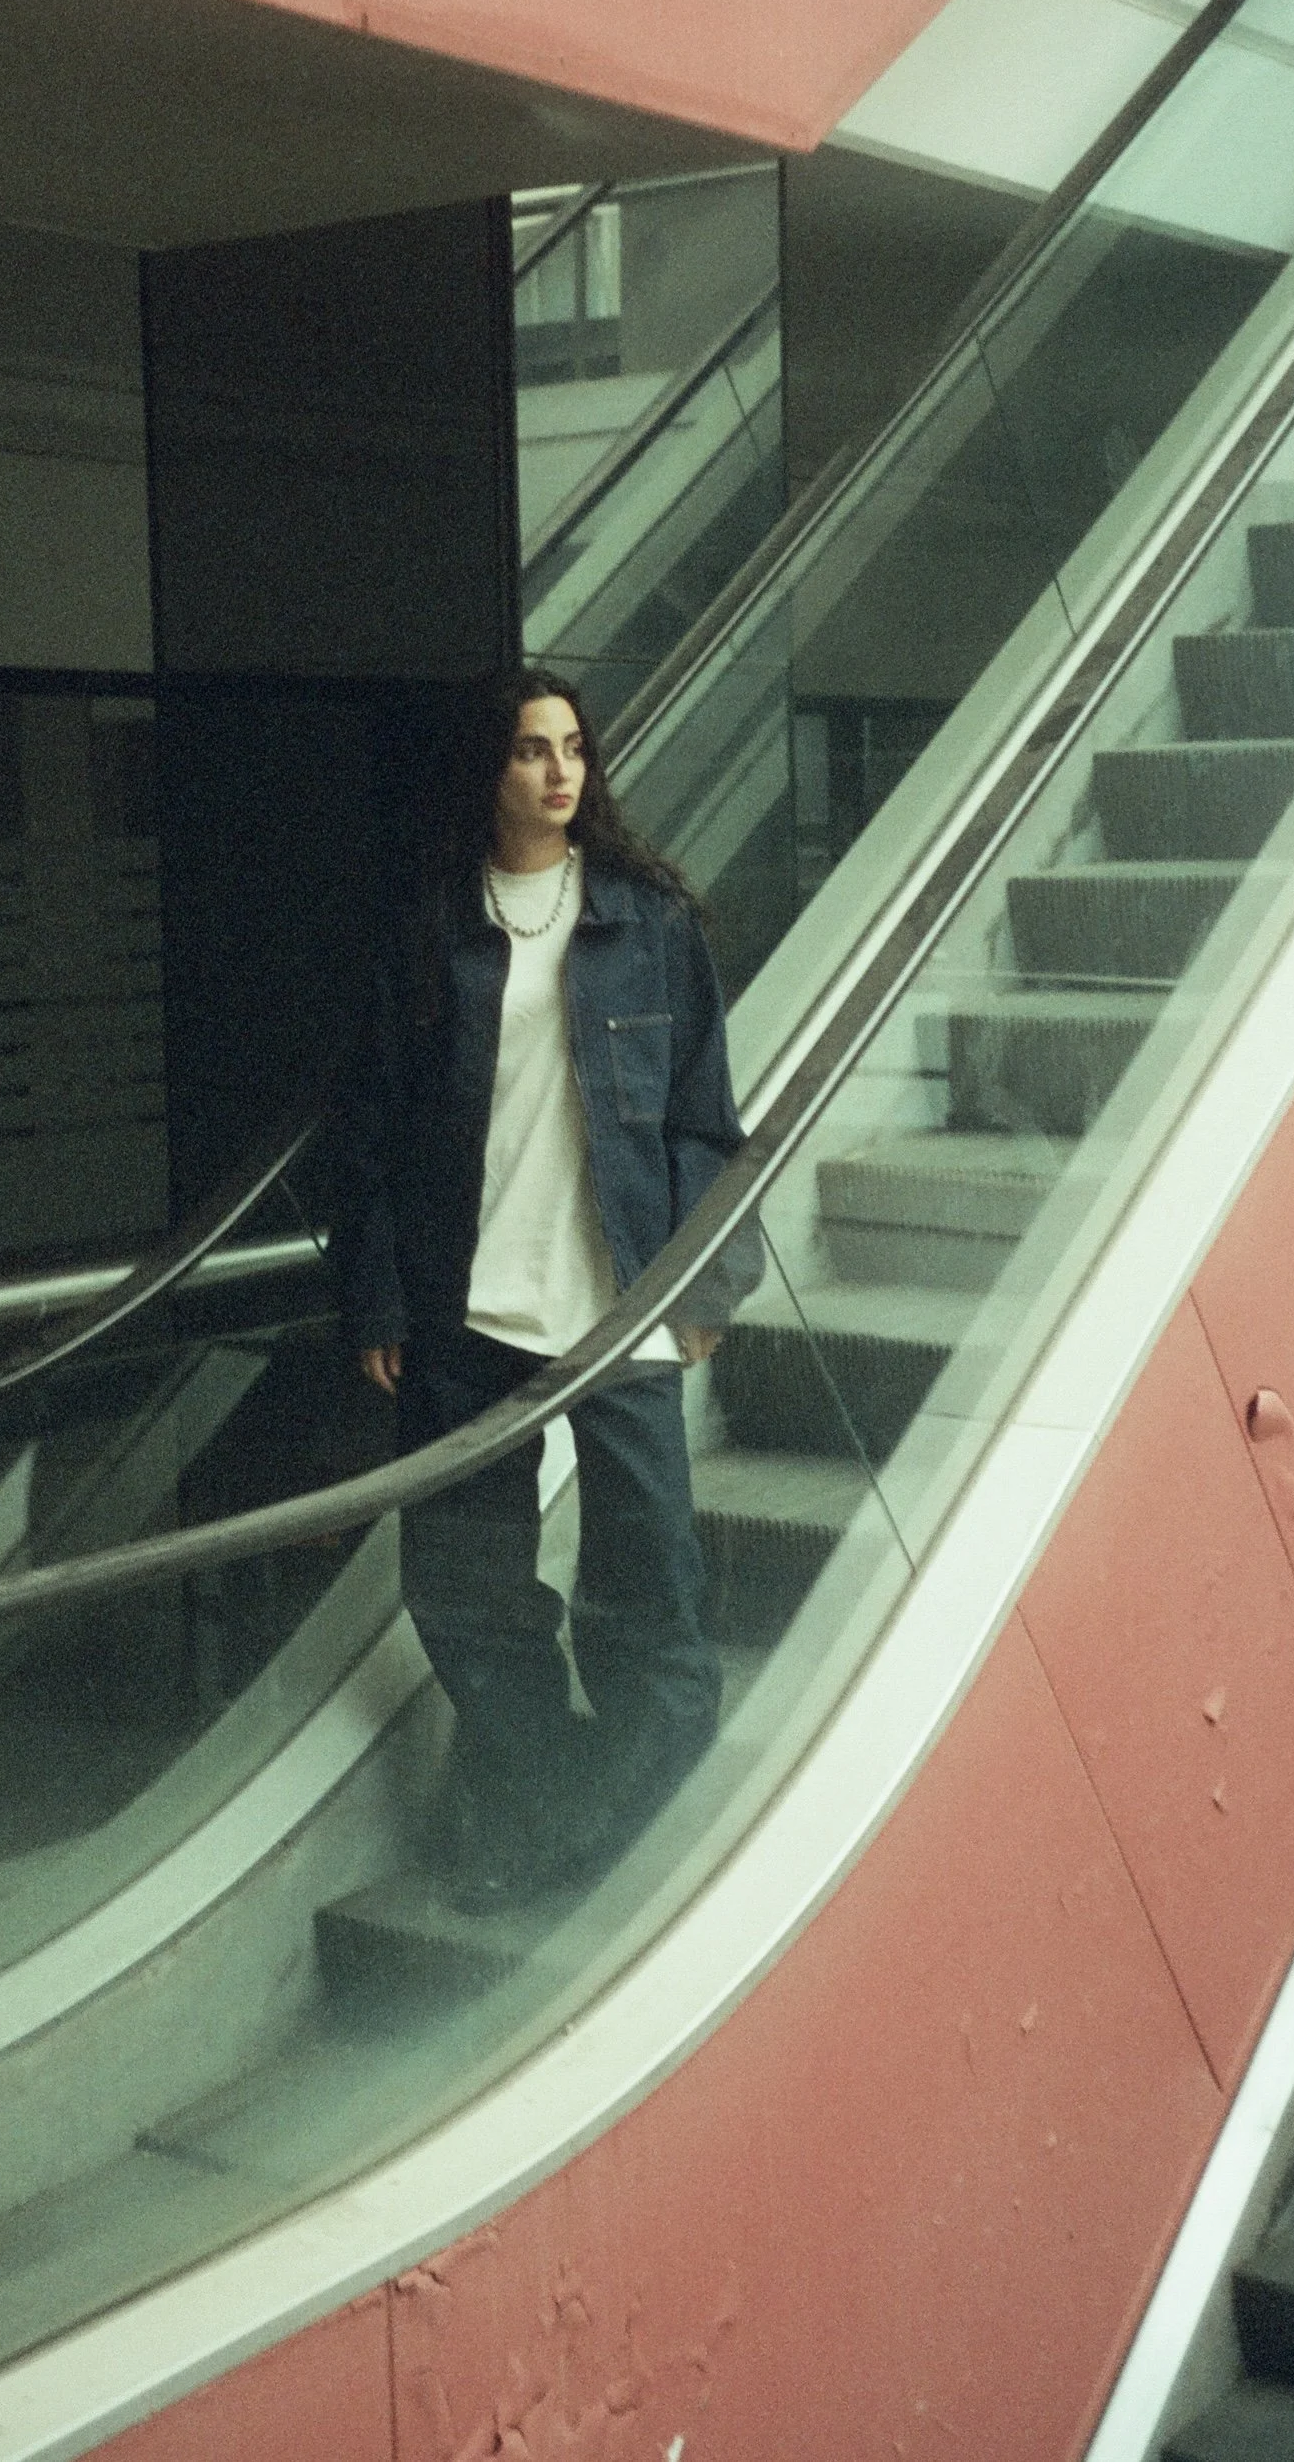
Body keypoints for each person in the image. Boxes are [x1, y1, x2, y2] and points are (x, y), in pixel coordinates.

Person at [329, 667, 750, 1908]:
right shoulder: (430, 928)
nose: (559, 770)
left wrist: (704, 1286)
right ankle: (558, 1801)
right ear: (488, 769)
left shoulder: (648, 921)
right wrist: (376, 1299)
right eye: (529, 748)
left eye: (572, 747)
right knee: (463, 1591)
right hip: (464, 1309)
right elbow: (368, 1133)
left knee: (649, 1582)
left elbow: (703, 1121)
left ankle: (613, 1823)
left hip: (621, 1305)